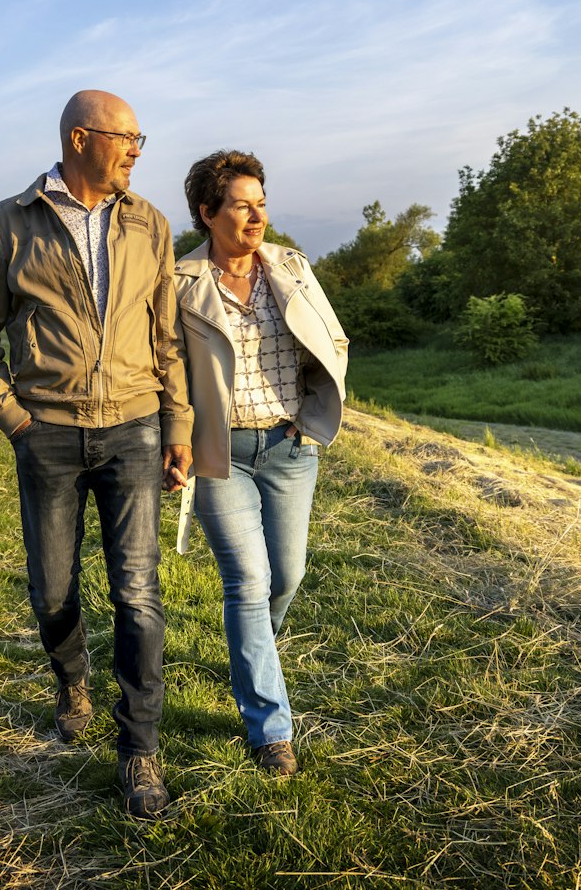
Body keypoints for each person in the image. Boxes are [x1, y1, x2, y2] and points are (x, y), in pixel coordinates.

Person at [0, 90, 193, 818]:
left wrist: (177, 426)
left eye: (140, 139)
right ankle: (71, 680)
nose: (138, 149)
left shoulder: (148, 221)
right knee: (53, 588)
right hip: (47, 431)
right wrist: (11, 415)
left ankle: (140, 749)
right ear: (82, 137)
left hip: (135, 425)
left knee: (138, 592)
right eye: (128, 137)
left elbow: (167, 334)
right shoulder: (8, 222)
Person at [173, 150, 348, 776]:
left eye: (261, 202)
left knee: (288, 577)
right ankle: (270, 728)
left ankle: (253, 655)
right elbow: (167, 371)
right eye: (242, 205)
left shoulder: (291, 268)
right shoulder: (180, 284)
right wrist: (178, 439)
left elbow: (331, 337)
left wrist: (313, 414)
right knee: (246, 583)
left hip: (289, 448)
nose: (257, 216)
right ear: (207, 212)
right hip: (221, 455)